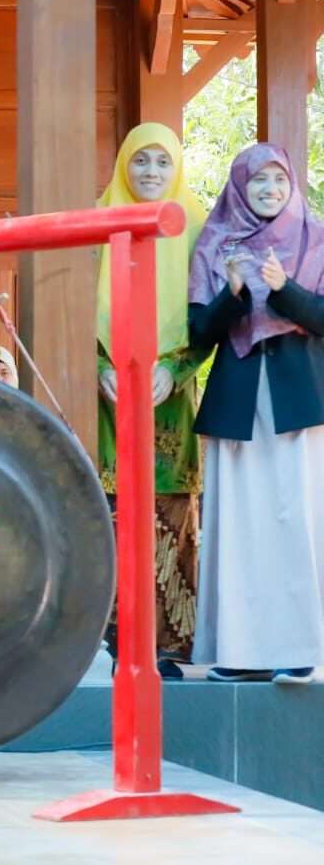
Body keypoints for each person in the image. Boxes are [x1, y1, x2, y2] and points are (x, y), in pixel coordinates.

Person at [188, 143, 324, 684]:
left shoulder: (316, 238)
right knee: (240, 524)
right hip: (239, 397)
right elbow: (199, 330)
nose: (269, 190)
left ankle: (299, 646)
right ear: (240, 186)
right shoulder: (215, 242)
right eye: (258, 181)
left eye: (278, 181)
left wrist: (283, 290)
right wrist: (236, 293)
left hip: (299, 395)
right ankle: (242, 651)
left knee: (296, 521)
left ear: (292, 185)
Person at [96, 124, 208, 677]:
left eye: (163, 163)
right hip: (106, 399)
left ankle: (167, 647)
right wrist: (94, 370)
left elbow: (211, 322)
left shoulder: (196, 232)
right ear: (123, 165)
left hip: (169, 397)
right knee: (110, 516)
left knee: (169, 515)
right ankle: (111, 644)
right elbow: (71, 309)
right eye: (141, 161)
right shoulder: (97, 224)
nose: (151, 174)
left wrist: (177, 368)